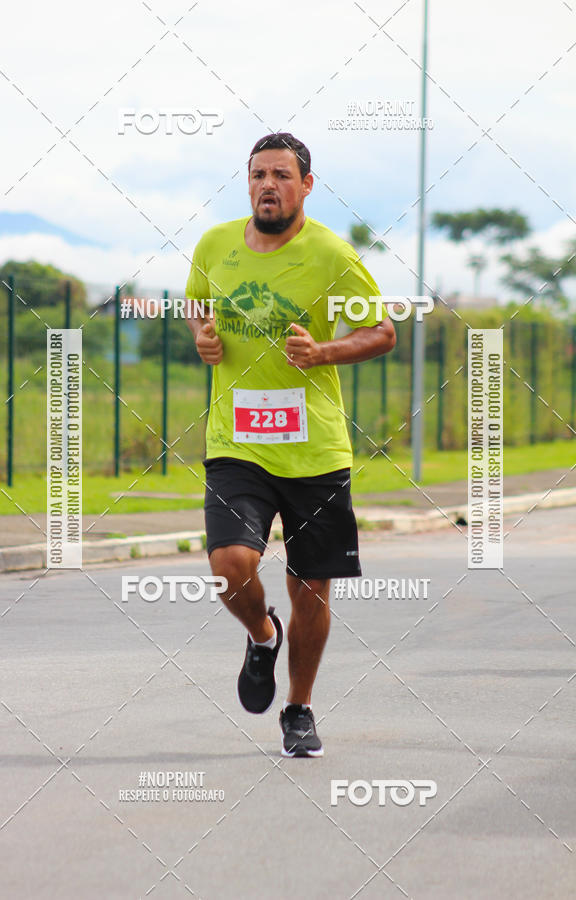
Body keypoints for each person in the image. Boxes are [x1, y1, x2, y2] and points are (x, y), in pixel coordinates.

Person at [185, 132, 395, 757]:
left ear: (306, 185)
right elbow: (196, 307)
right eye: (257, 175)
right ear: (246, 184)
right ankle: (261, 635)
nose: (267, 185)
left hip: (315, 452)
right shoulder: (215, 244)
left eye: (281, 174)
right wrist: (203, 336)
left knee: (312, 589)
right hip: (236, 440)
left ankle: (299, 709)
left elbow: (382, 331)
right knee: (229, 566)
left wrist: (322, 351)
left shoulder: (333, 255)